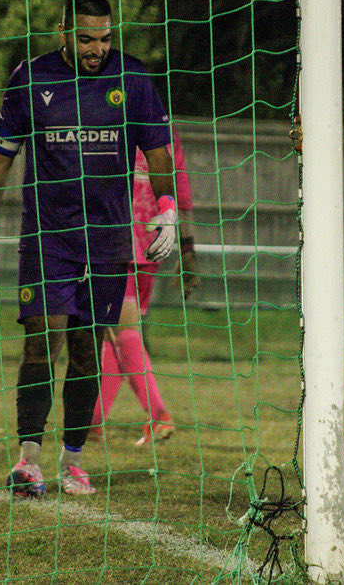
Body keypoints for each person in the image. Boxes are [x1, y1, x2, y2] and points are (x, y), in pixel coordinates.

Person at [0, 0, 179, 498]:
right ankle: (29, 460)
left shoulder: (133, 78)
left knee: (86, 351)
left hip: (106, 240)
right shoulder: (31, 78)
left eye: (104, 38)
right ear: (62, 33)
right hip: (48, 237)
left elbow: (158, 150)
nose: (97, 49)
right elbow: (0, 159)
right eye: (86, 39)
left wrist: (167, 209)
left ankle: (73, 462)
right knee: (43, 339)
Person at [88, 127, 199, 448]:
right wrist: (188, 252)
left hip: (114, 239)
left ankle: (159, 416)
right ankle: (93, 422)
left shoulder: (106, 121)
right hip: (153, 242)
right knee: (119, 335)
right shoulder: (166, 131)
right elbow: (182, 196)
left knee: (122, 332)